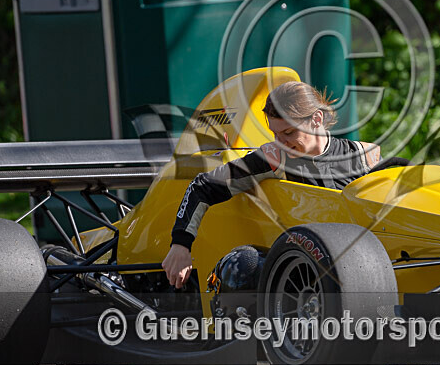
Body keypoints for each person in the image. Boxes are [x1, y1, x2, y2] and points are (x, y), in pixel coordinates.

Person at [162, 81, 382, 288]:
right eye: (275, 134)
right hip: (303, 277)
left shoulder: (363, 156)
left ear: (316, 120)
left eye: (289, 132)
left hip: (368, 270)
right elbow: (203, 186)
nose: (281, 142)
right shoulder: (275, 157)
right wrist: (180, 244)